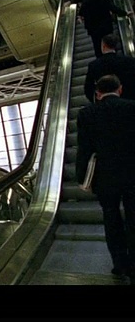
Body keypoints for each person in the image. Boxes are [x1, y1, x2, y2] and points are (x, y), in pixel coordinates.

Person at [76, 74, 135, 284]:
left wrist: (82, 177)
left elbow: (84, 150)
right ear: (120, 89)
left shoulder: (87, 114)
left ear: (98, 94)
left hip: (105, 176)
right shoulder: (131, 107)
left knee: (111, 218)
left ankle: (120, 264)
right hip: (132, 173)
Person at [84, 33, 135, 103]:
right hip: (128, 100)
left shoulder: (94, 65)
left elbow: (88, 89)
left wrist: (96, 102)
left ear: (103, 46)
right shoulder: (129, 61)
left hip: (104, 104)